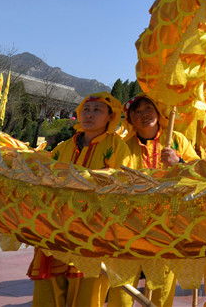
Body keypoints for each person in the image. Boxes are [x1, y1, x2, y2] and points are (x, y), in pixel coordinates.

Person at [27, 92, 135, 307]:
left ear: (110, 117)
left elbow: (124, 183)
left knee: (85, 298)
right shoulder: (64, 146)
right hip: (56, 230)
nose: (90, 114)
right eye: (86, 109)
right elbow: (45, 172)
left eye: (97, 110)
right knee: (47, 293)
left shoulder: (117, 147)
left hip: (93, 234)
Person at [106, 95, 199, 307]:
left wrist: (179, 162)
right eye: (137, 112)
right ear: (130, 119)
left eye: (149, 108)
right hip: (128, 226)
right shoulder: (123, 146)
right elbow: (116, 180)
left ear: (158, 113)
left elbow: (199, 174)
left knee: (162, 287)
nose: (144, 114)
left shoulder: (176, 140)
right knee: (121, 288)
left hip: (166, 226)